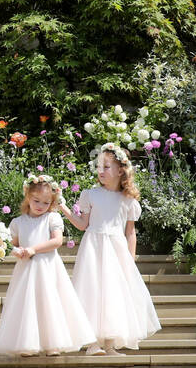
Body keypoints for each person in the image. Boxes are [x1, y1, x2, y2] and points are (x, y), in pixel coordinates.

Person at [64, 143, 162, 354]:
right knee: (92, 290)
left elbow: (130, 232)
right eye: (99, 166)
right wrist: (63, 207)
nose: (100, 171)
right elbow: (83, 225)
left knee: (112, 294)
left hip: (116, 250)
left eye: (106, 167)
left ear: (120, 170)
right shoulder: (91, 195)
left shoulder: (128, 200)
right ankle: (92, 343)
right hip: (93, 247)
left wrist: (130, 258)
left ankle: (109, 344)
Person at [0, 174, 96, 357]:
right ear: (27, 196)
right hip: (26, 269)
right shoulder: (18, 222)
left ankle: (53, 343)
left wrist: (33, 248)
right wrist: (15, 250)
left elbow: (57, 241)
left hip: (48, 267)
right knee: (28, 303)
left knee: (50, 302)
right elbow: (12, 244)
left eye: (46, 202)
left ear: (52, 202)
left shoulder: (52, 218)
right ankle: (27, 343)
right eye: (36, 200)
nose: (40, 206)